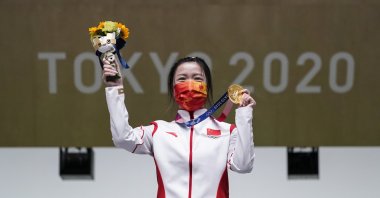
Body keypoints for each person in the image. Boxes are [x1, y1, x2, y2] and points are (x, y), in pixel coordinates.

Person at [102, 56, 256, 198]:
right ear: (173, 88)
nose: (190, 84)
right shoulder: (158, 131)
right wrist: (114, 89)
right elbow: (122, 138)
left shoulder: (227, 132)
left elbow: (243, 166)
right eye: (182, 79)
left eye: (197, 78)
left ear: (207, 87)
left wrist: (244, 114)